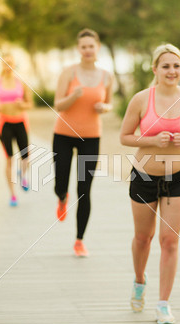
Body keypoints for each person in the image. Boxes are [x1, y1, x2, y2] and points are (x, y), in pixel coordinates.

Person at [120, 44, 180, 324]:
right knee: (144, 238)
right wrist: (152, 141)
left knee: (170, 242)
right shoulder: (142, 99)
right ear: (155, 69)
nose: (172, 71)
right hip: (144, 176)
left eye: (176, 66)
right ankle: (140, 281)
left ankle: (163, 304)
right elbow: (125, 136)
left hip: (177, 176)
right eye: (166, 66)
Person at [53, 29, 113, 257]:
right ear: (78, 49)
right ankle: (61, 197)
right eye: (83, 47)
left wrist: (104, 108)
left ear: (97, 47)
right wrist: (73, 97)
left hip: (91, 137)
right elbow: (58, 105)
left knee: (84, 189)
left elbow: (108, 103)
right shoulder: (68, 73)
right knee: (61, 182)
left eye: (91, 46)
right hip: (63, 136)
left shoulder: (107, 76)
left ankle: (79, 240)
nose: (88, 50)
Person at [0, 53, 33, 206]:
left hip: (20, 122)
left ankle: (23, 174)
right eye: (4, 63)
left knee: (26, 157)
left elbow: (30, 104)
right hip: (5, 124)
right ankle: (13, 195)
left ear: (14, 65)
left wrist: (23, 105)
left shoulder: (22, 83)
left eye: (10, 63)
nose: (7, 67)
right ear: (1, 66)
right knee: (9, 160)